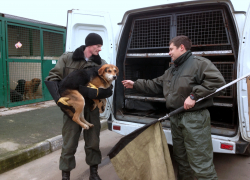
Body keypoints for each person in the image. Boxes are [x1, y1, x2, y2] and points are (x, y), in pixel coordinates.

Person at [122, 35, 226, 180]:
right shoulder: (172, 70)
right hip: (176, 117)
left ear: (181, 47)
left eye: (171, 49)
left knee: (200, 162)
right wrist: (135, 84)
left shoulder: (199, 64)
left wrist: (194, 96)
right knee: (182, 160)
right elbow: (156, 84)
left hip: (194, 119)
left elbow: (218, 84)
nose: (169, 53)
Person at [45, 33, 112, 180]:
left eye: (101, 46)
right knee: (69, 143)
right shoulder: (68, 58)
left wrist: (95, 92)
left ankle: (93, 173)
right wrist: (59, 101)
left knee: (93, 142)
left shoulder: (102, 64)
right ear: (89, 44)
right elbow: (52, 78)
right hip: (72, 106)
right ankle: (65, 175)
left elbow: (108, 88)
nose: (100, 49)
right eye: (98, 46)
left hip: (92, 109)